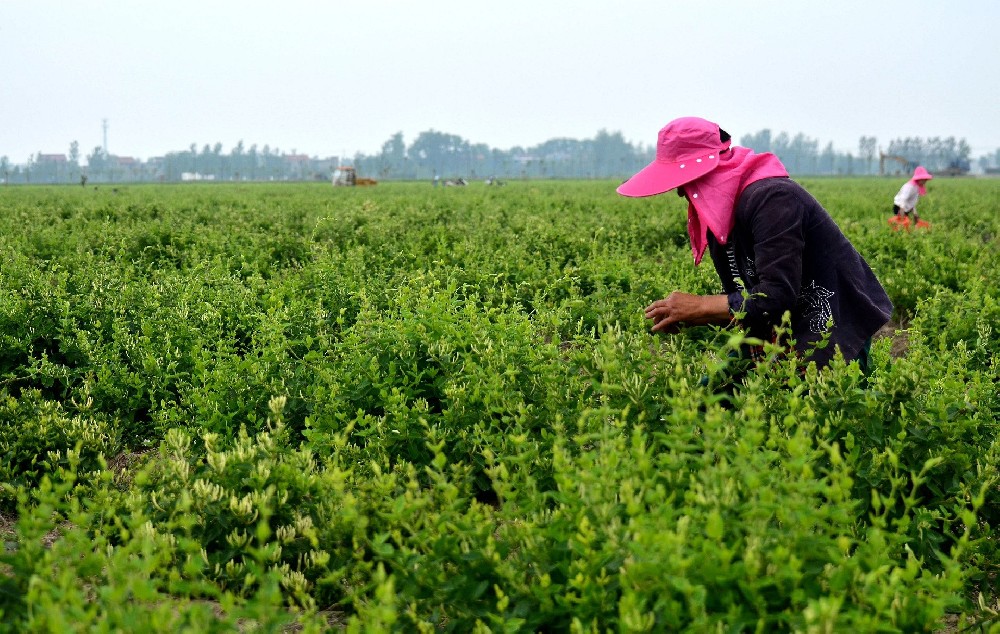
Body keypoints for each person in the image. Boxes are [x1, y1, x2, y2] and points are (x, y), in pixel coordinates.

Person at [617, 116, 893, 374]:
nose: (679, 192)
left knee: (819, 412)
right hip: (778, 327)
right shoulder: (719, 215)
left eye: (684, 183)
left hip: (830, 323)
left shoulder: (773, 199)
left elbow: (775, 296)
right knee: (713, 400)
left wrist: (701, 306)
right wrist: (694, 316)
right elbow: (745, 298)